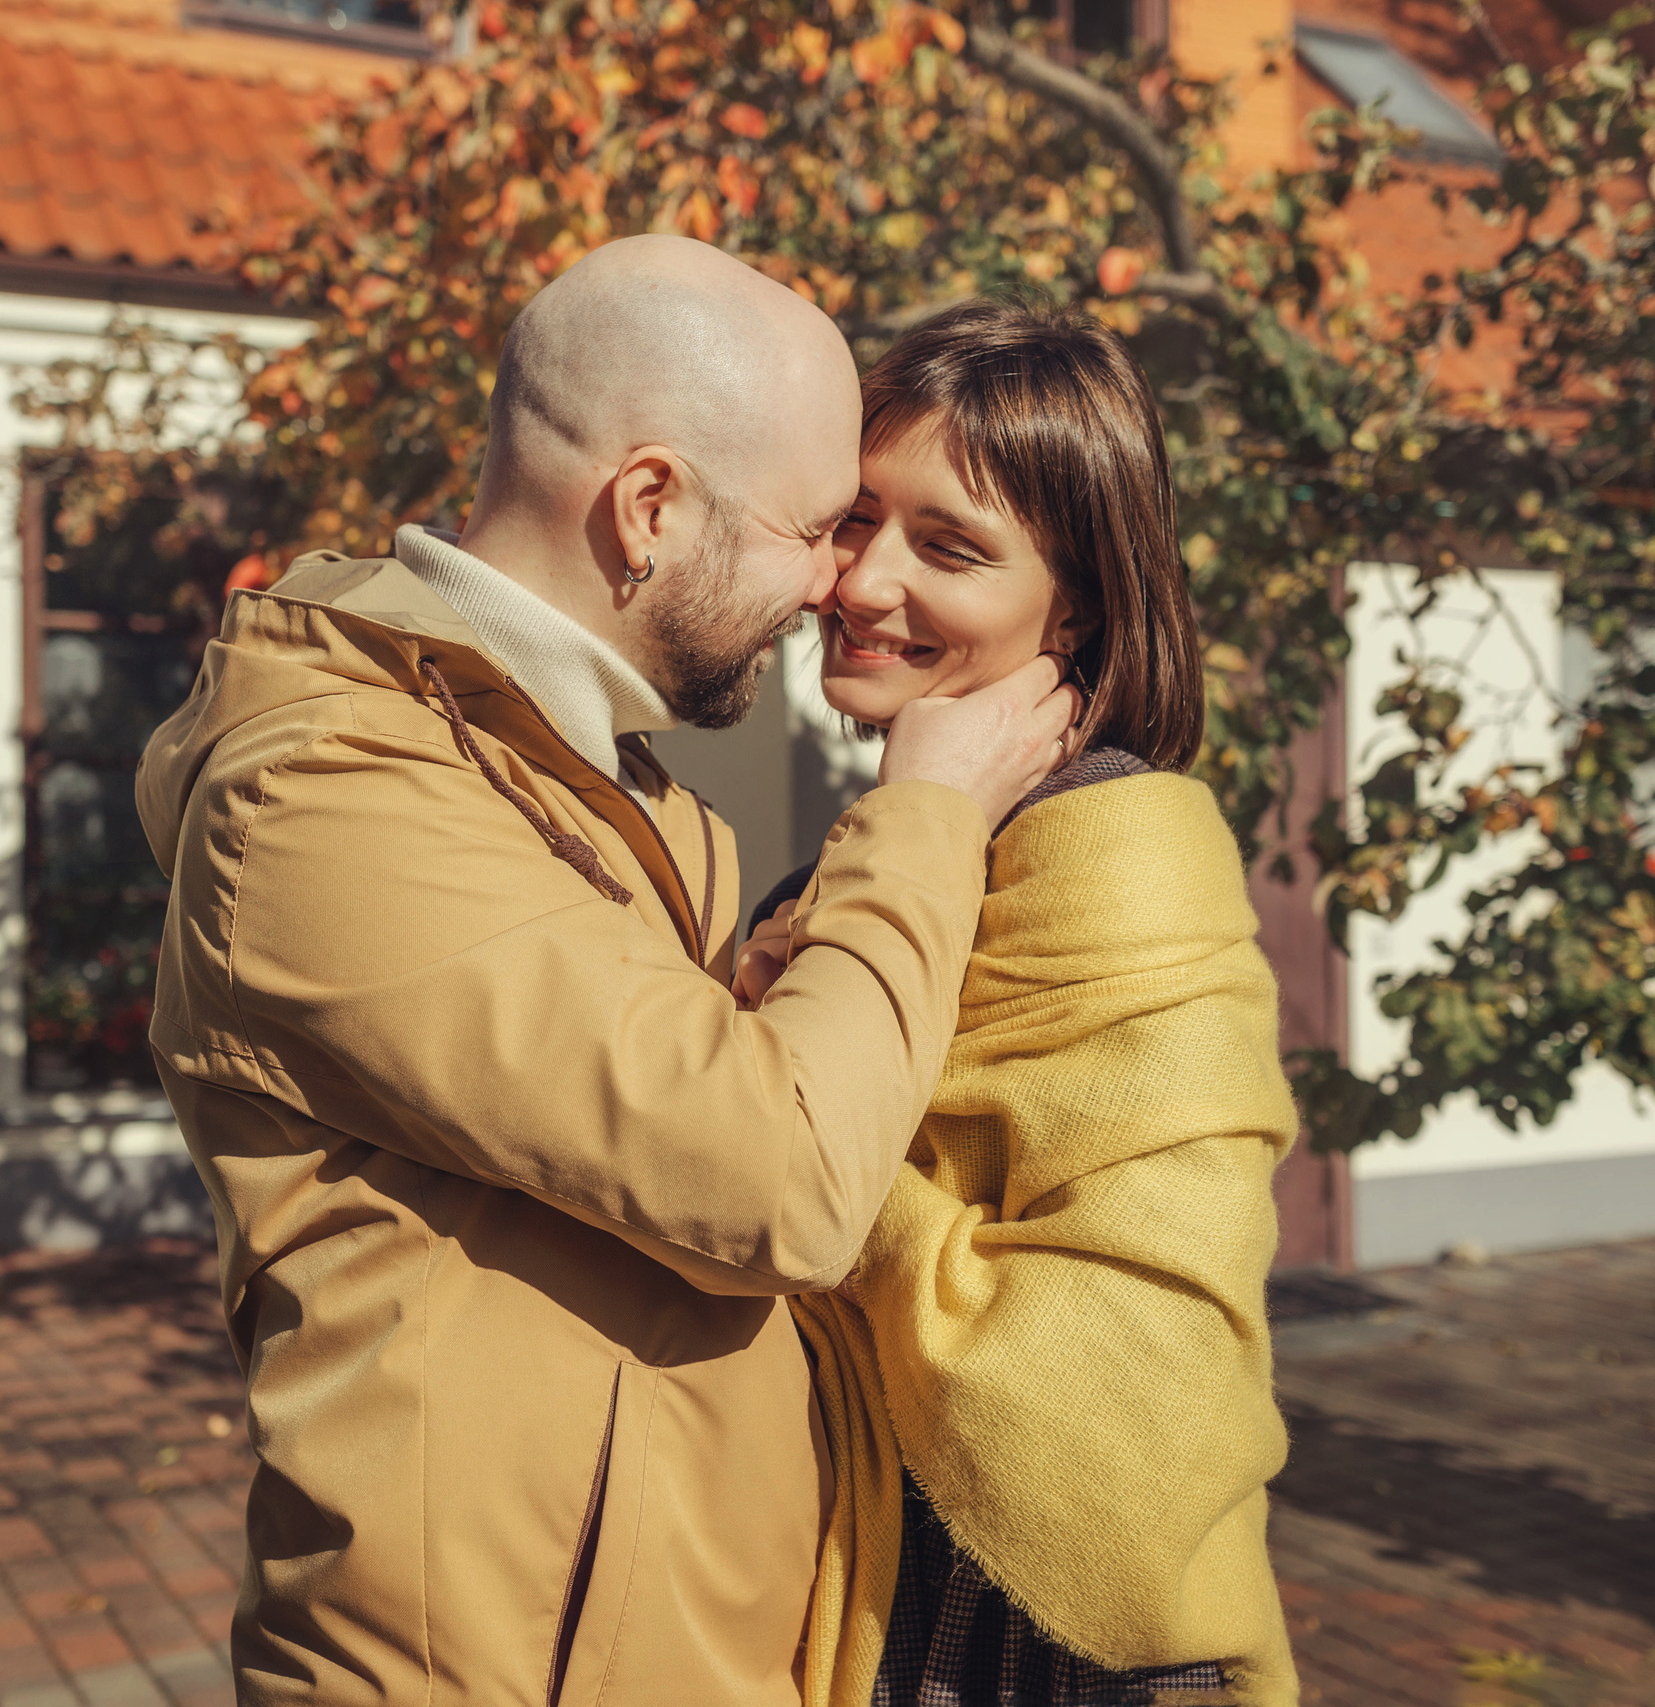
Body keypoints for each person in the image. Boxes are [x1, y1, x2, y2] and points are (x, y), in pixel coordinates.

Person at [133, 237, 1080, 1706]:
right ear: (649, 508)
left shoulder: (619, 794)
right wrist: (928, 817)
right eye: (819, 526)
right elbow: (781, 1187)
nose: (842, 584)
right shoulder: (325, 801)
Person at [734, 298, 1302, 1707]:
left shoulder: (1124, 864)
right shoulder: (875, 857)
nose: (863, 583)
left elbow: (1136, 1404)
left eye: (950, 546)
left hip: (1019, 1654)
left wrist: (779, 1125)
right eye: (856, 521)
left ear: (1082, 604)